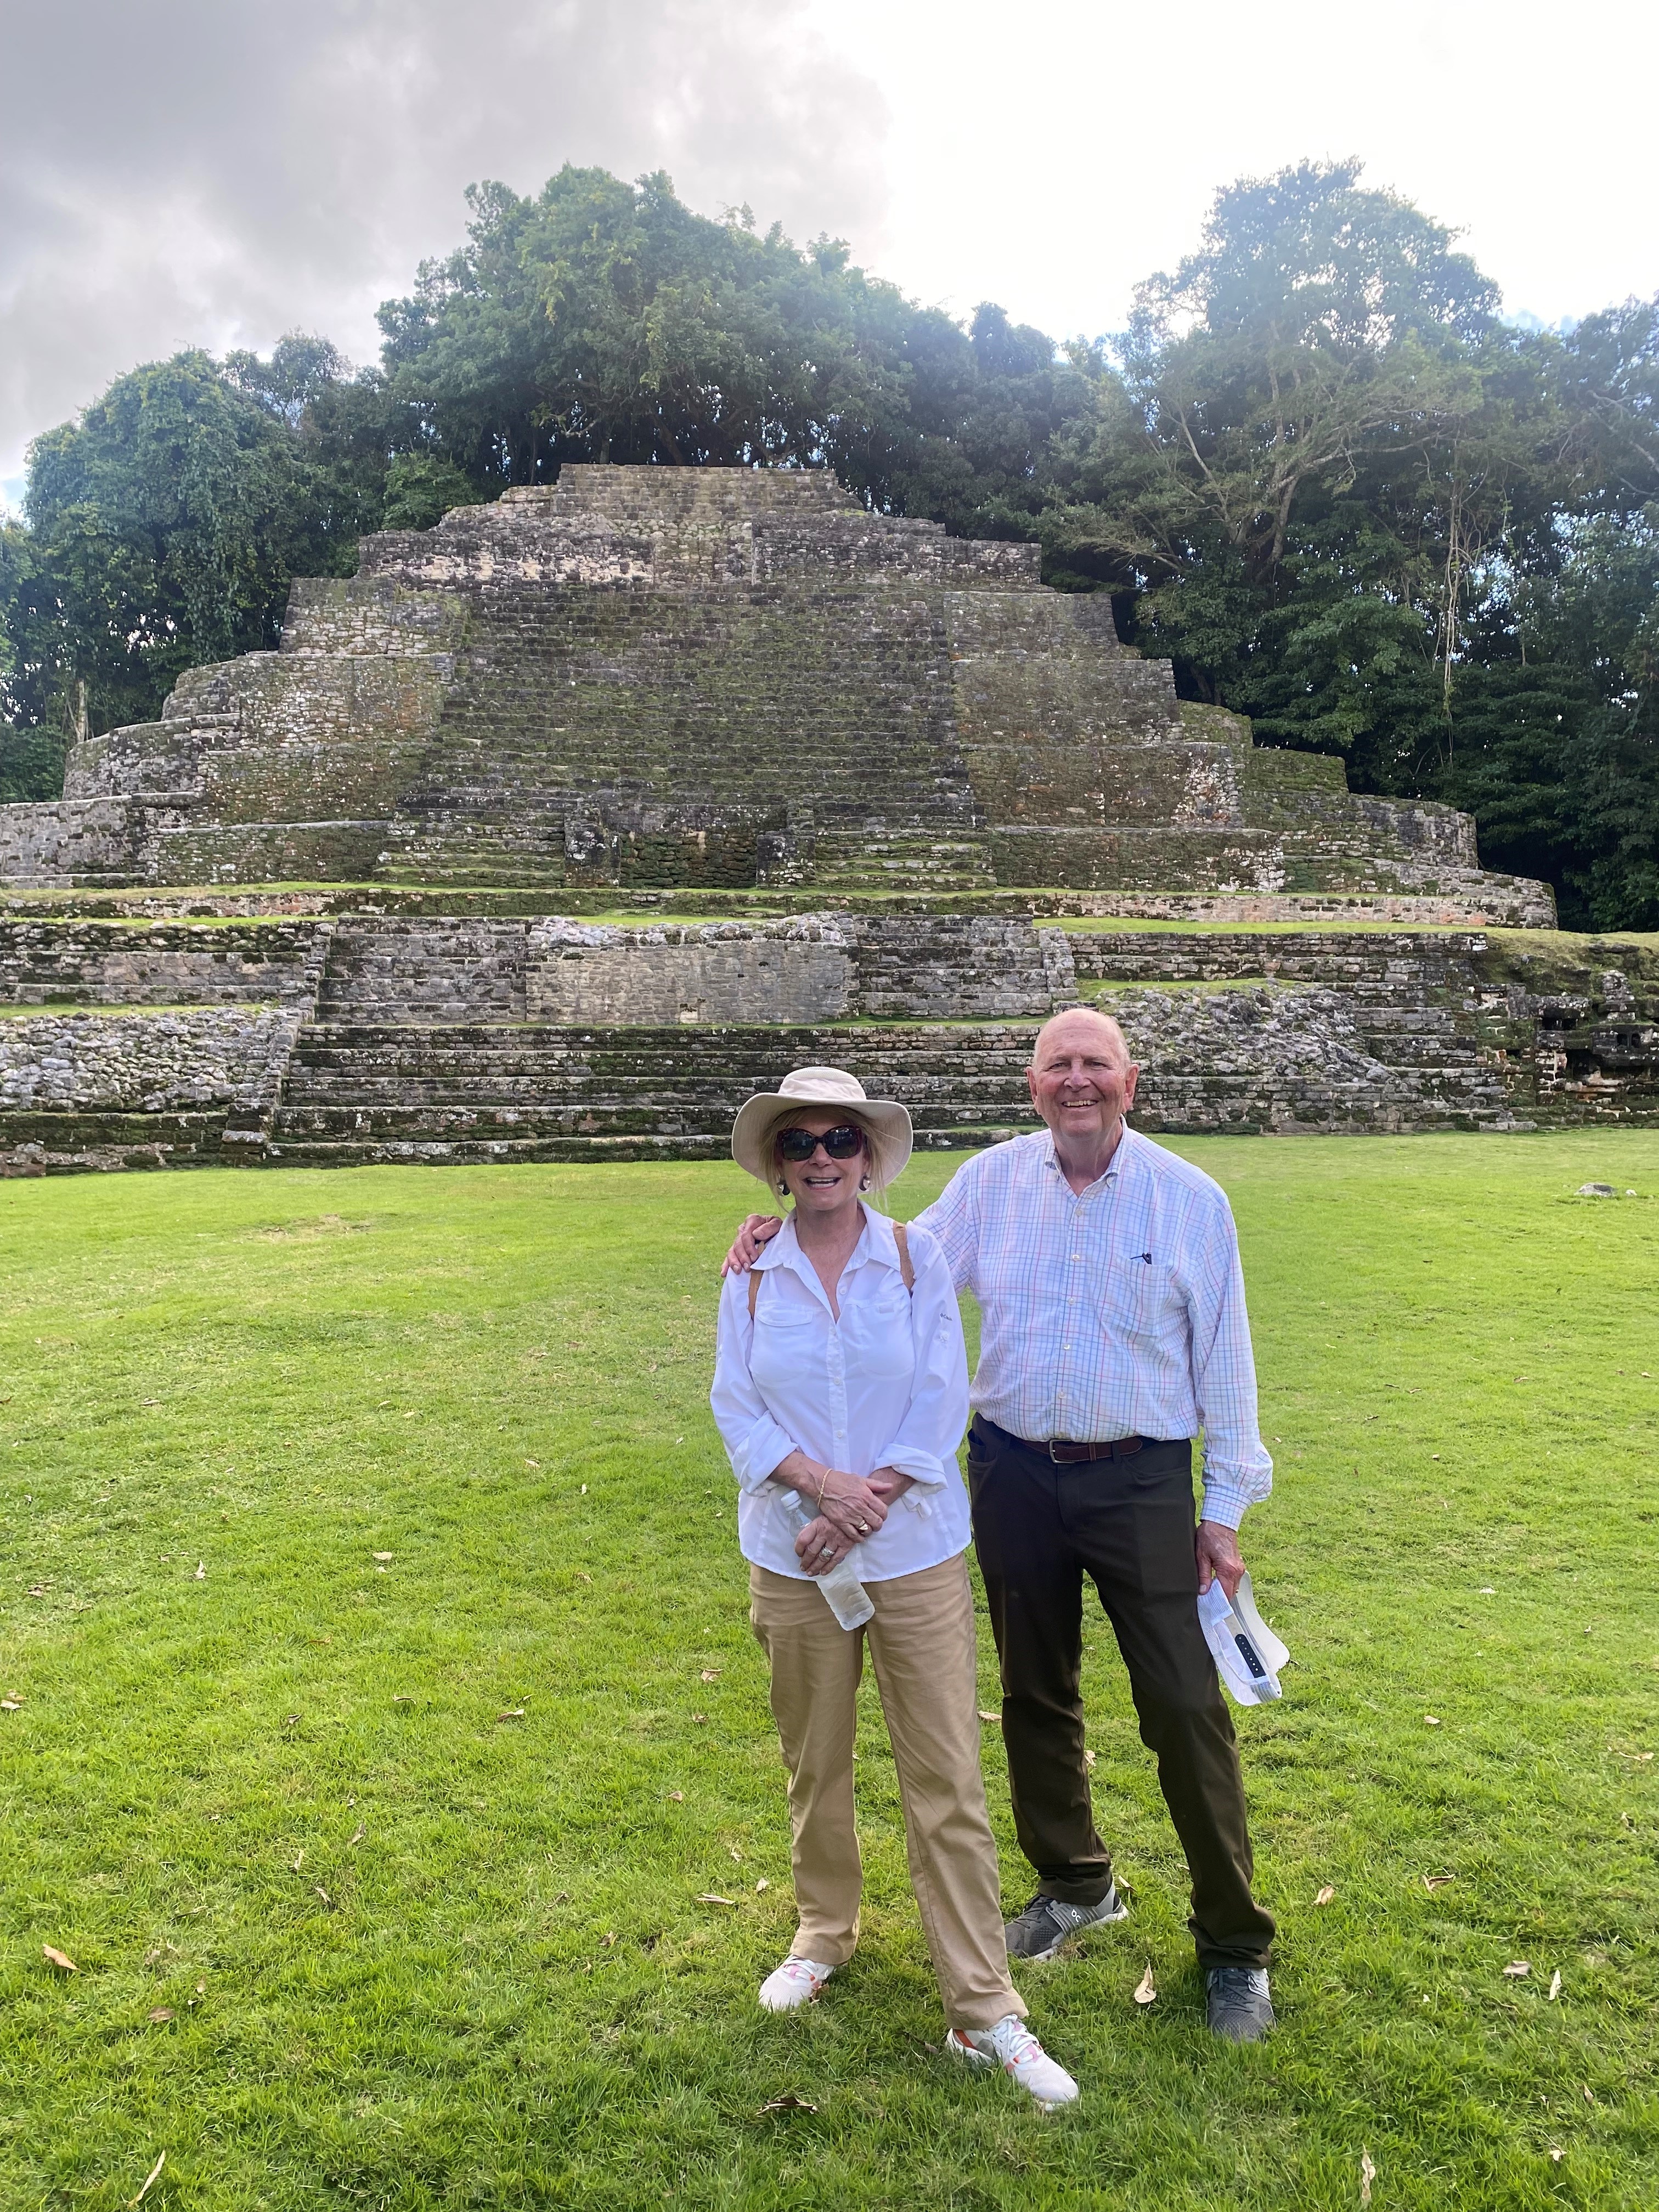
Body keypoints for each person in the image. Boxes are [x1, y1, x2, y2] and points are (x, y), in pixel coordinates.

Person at [723, 1009, 1279, 2043]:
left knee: (1181, 1704)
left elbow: (1228, 1366)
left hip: (1139, 1474)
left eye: (1095, 1066)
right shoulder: (991, 1183)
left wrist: (1224, 1510)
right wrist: (781, 1230)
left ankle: (1234, 1944)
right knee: (1036, 1690)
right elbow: (888, 1258)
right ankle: (1075, 1882)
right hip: (1015, 1469)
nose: (1077, 1082)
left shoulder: (1191, 1200)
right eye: (1058, 1066)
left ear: (1131, 1081)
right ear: (1033, 1085)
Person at [710, 1064, 1081, 2107]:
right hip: (793, 1552)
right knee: (813, 1760)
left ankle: (984, 2008)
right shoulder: (747, 1272)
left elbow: (937, 1393)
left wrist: (861, 1500)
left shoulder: (918, 1261)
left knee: (946, 1780)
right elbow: (737, 1406)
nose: (822, 1158)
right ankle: (824, 1930)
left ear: (869, 1158)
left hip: (908, 1550)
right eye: (800, 1143)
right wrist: (822, 1494)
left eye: (840, 1141)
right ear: (777, 1166)